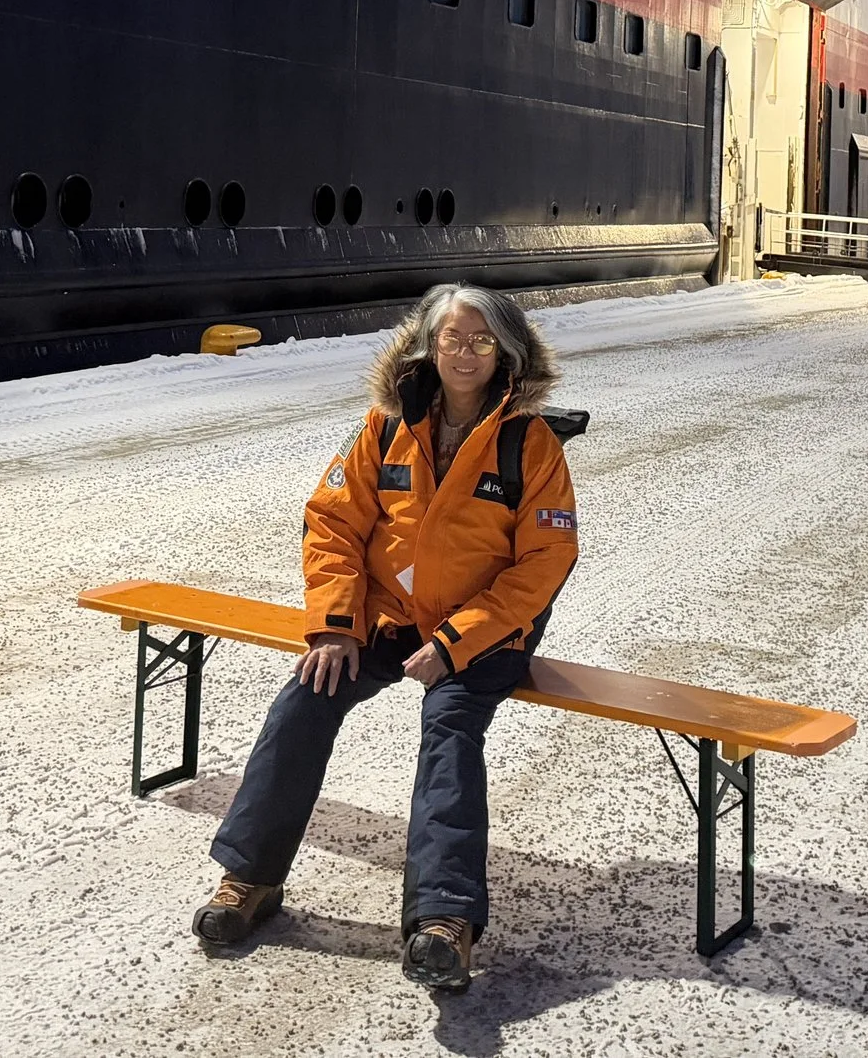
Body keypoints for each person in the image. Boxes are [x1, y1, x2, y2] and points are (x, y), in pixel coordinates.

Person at [192, 283, 579, 992]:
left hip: (484, 629)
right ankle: (250, 877)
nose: (465, 353)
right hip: (387, 616)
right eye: (452, 337)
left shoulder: (531, 443)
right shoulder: (384, 423)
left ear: (506, 352)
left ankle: (444, 918)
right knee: (304, 700)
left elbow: (544, 563)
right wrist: (336, 626)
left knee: (450, 726)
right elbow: (332, 523)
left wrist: (457, 641)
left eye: (482, 340)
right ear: (430, 343)